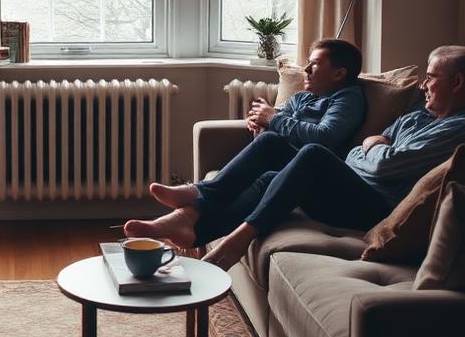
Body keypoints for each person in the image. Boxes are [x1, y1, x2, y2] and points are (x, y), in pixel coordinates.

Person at [124, 45, 465, 271]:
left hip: (377, 208)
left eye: (431, 76)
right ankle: (194, 220)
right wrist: (372, 148)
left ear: (457, 83)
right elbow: (370, 152)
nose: (424, 84)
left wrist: (372, 148)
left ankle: (235, 237)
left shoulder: (463, 129)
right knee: (274, 160)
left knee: (312, 156)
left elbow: (382, 162)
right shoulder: (421, 115)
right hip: (359, 188)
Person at [125, 37, 367, 248]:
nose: (306, 69)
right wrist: (261, 123)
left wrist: (272, 119)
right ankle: (191, 227)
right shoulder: (303, 99)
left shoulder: (347, 98)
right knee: (267, 177)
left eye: (315, 64)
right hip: (290, 173)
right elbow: (279, 121)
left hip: (318, 179)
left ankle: (198, 193)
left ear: (339, 73)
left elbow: (323, 137)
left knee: (271, 143)